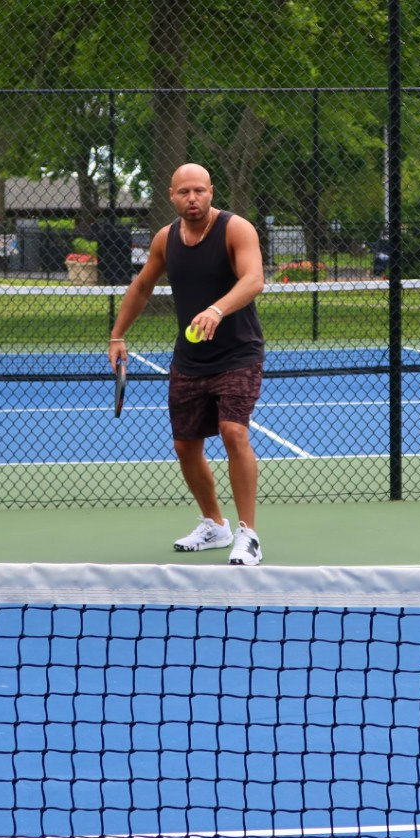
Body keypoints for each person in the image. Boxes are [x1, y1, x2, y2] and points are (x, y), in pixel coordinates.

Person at [108, 163, 266, 566]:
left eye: (200, 190)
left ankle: (248, 535)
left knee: (234, 432)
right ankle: (215, 525)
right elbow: (143, 285)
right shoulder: (166, 239)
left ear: (212, 191)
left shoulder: (236, 229)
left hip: (238, 353)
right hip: (190, 359)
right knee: (184, 446)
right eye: (184, 192)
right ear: (171, 195)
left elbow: (253, 280)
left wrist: (217, 309)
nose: (193, 198)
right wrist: (117, 335)